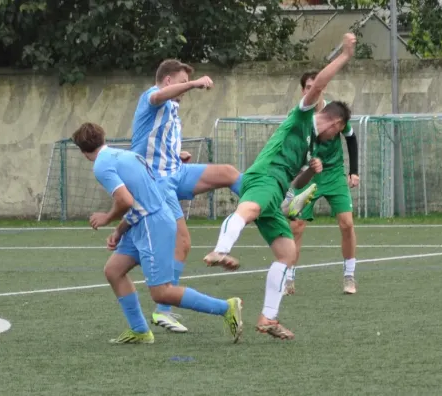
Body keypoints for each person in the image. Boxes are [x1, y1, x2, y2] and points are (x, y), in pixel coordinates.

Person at [125, 59, 311, 333]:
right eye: (181, 84)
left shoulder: (173, 108)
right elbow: (156, 97)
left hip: (175, 171)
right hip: (156, 182)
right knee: (183, 242)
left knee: (228, 172)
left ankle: (275, 202)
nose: (184, 92)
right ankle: (164, 310)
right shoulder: (152, 97)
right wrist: (195, 83)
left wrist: (177, 154)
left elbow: (155, 141)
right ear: (167, 81)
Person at [203, 33, 357, 340]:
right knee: (250, 208)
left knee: (287, 252)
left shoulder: (312, 143)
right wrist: (345, 55)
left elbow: (295, 181)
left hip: (278, 189)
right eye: (338, 133)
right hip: (264, 177)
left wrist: (309, 173)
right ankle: (220, 250)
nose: (335, 139)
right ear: (336, 125)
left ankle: (268, 318)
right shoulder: (303, 119)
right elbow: (319, 84)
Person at [73, 122, 243, 344]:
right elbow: (140, 202)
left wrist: (106, 217)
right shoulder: (126, 156)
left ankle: (226, 307)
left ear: (83, 151)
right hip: (143, 221)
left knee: (161, 292)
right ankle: (140, 331)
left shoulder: (101, 165)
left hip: (153, 224)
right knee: (114, 270)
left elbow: (125, 200)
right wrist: (118, 230)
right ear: (103, 138)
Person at [280, 71, 360, 296]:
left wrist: (353, 171)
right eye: (307, 87)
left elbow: (351, 137)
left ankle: (349, 275)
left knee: (347, 223)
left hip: (334, 174)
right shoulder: (298, 115)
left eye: (315, 86)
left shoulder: (334, 113)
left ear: (321, 88)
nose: (311, 90)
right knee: (296, 226)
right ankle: (289, 278)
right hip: (308, 174)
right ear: (303, 89)